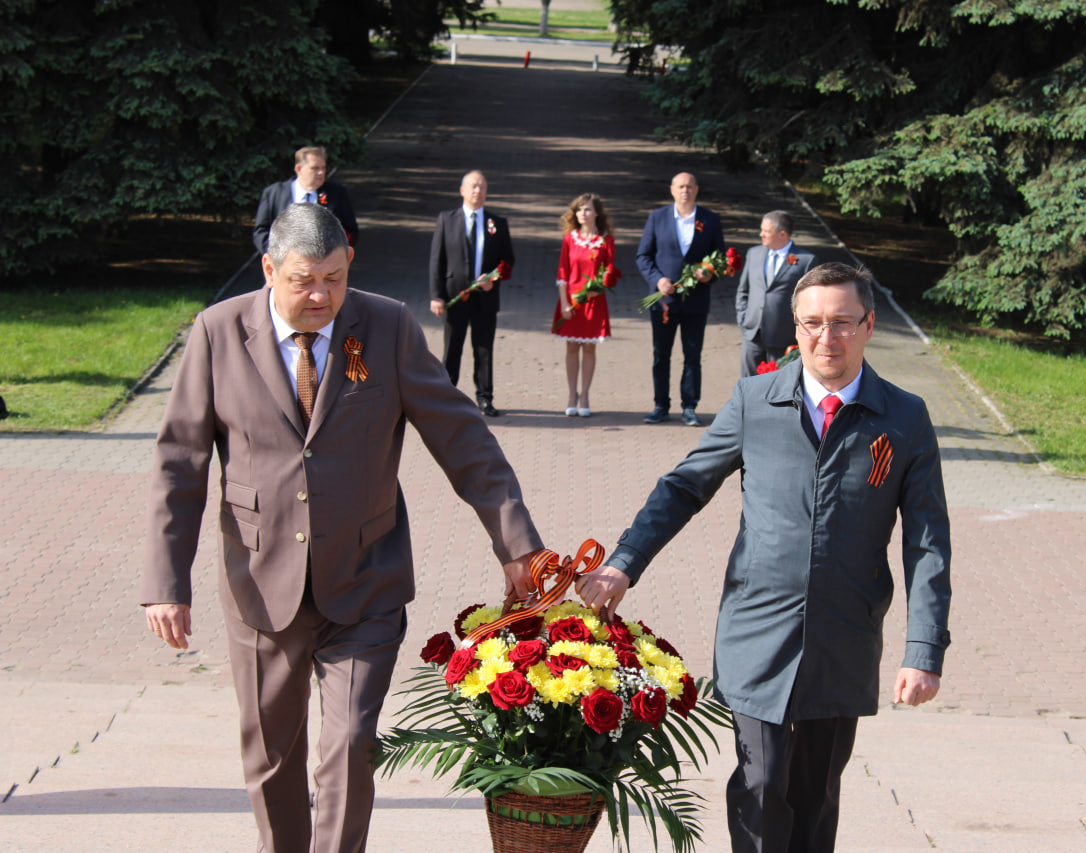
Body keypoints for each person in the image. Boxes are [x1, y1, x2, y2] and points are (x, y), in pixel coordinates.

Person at [141, 203, 542, 853]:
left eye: (334, 276)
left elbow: (460, 435)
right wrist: (167, 580)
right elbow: (178, 462)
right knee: (272, 758)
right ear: (269, 270)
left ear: (349, 264)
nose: (322, 294)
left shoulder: (385, 326)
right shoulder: (218, 333)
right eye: (303, 280)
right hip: (259, 582)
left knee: (350, 742)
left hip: (365, 580)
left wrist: (517, 542)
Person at [578, 261, 952, 853]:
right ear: (794, 327)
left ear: (869, 325)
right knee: (760, 781)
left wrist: (923, 650)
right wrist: (624, 561)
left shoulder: (904, 418)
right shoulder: (756, 400)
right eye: (811, 323)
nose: (825, 338)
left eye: (841, 323)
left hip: (843, 637)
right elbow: (685, 486)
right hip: (758, 629)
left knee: (815, 796)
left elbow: (927, 542)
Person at [636, 171, 726, 427]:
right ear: (672, 190)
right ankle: (660, 405)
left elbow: (720, 258)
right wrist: (658, 280)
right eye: (680, 186)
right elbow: (643, 256)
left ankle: (689, 406)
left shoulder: (710, 219)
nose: (685, 190)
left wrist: (709, 273)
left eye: (689, 186)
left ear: (696, 189)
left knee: (693, 355)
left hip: (696, 302)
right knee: (660, 355)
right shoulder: (658, 218)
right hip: (664, 301)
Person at [429, 170, 516, 417]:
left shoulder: (496, 223)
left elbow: (508, 260)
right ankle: (446, 397)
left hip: (485, 298)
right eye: (474, 186)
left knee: (484, 348)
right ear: (462, 190)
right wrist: (437, 295)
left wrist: (494, 279)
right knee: (452, 348)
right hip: (455, 296)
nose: (478, 191)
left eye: (483, 187)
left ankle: (485, 398)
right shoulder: (447, 219)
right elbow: (437, 260)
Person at [552, 193, 615, 418]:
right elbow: (562, 273)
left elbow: (609, 271)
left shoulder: (606, 240)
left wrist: (601, 287)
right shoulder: (570, 239)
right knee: (571, 347)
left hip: (594, 303)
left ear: (596, 213)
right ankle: (571, 395)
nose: (582, 214)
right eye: (579, 210)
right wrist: (565, 304)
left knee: (589, 348)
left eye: (587, 209)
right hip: (571, 301)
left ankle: (585, 395)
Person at [735, 211, 816, 377]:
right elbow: (743, 291)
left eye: (766, 231)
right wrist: (743, 319)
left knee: (780, 386)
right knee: (748, 385)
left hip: (784, 338)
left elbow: (811, 302)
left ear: (782, 234)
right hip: (752, 334)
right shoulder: (754, 253)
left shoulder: (806, 260)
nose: (761, 234)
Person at [253, 145, 359, 255]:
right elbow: (261, 232)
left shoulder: (337, 193)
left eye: (323, 168)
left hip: (324, 266)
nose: (321, 172)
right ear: (299, 169)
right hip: (285, 265)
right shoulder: (274, 193)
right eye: (315, 168)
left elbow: (350, 231)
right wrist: (276, 257)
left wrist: (336, 256)